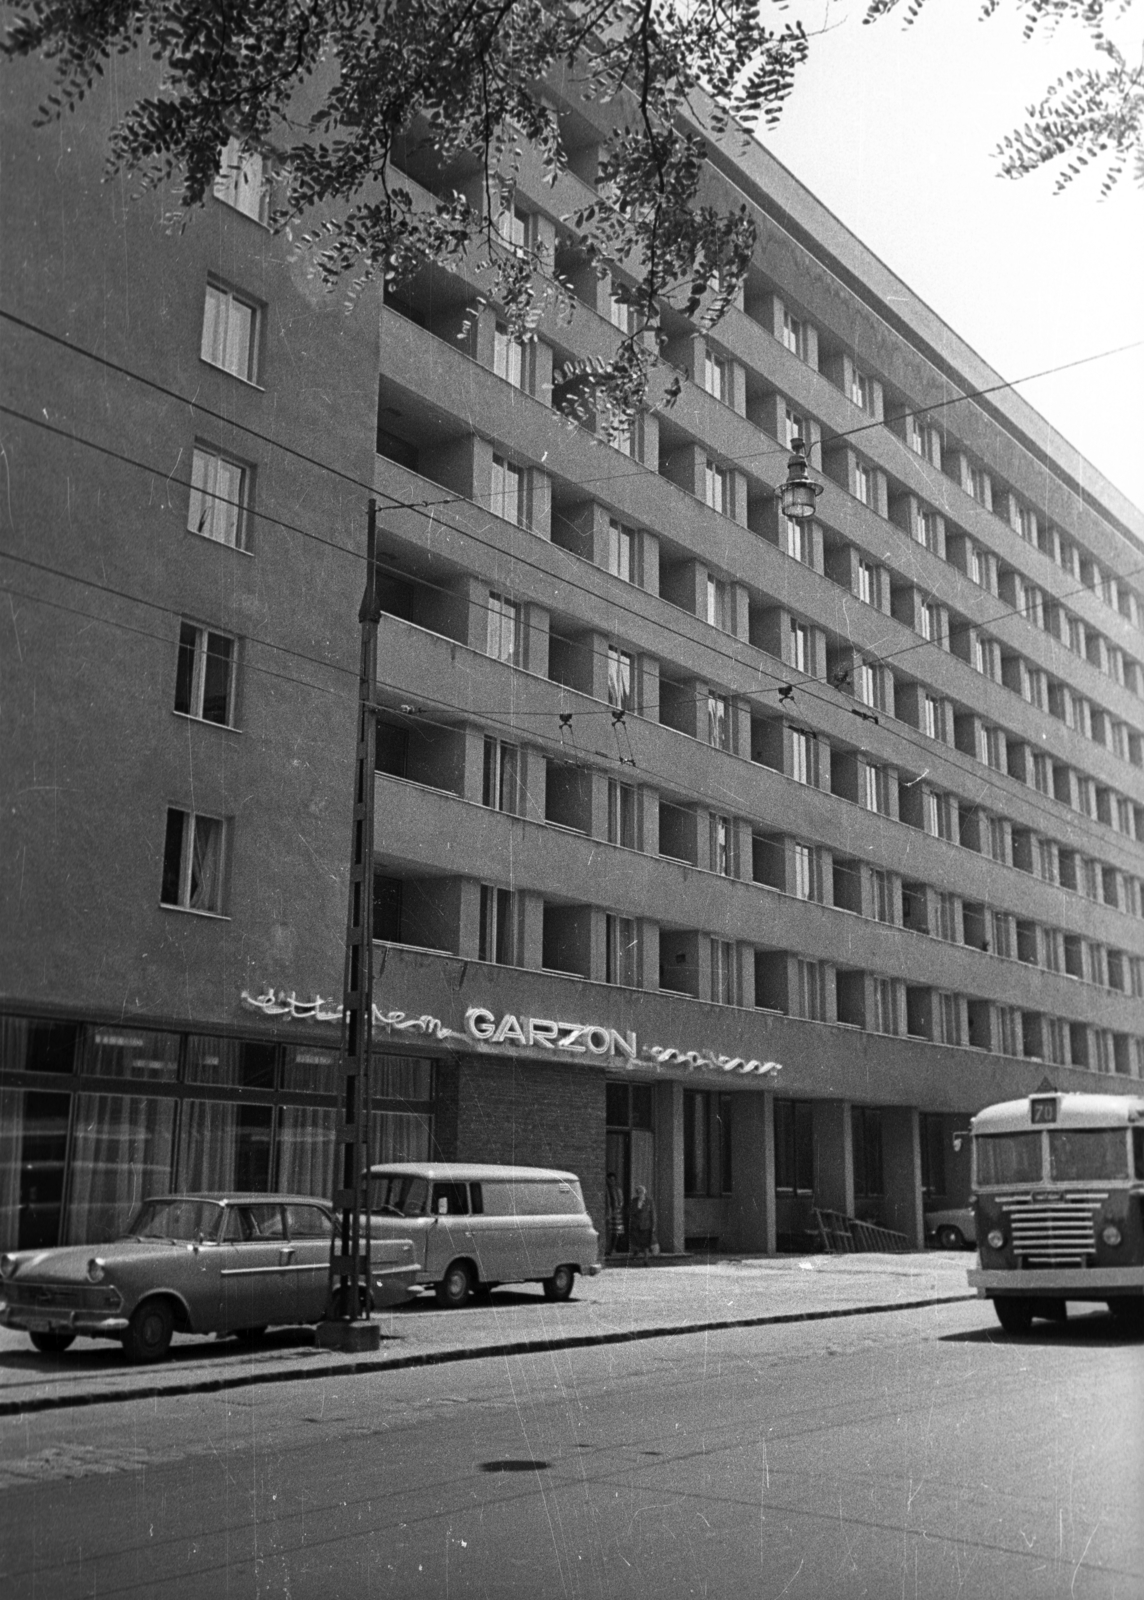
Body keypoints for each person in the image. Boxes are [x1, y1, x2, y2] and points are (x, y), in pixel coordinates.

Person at [628, 1184, 656, 1266]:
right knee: (636, 1241)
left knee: (646, 1243)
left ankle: (646, 1260)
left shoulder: (649, 1201)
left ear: (644, 1192)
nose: (640, 1194)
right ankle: (636, 1251)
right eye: (639, 1192)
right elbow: (630, 1212)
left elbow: (653, 1214)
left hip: (646, 1225)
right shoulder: (634, 1201)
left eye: (642, 1192)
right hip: (636, 1225)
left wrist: (653, 1225)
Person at [605, 1171, 624, 1258]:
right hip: (609, 1212)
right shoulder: (607, 1189)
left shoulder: (617, 1190)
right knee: (609, 1231)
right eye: (610, 1179)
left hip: (617, 1213)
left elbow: (621, 1201)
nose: (612, 1181)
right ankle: (608, 1249)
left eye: (613, 1180)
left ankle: (613, 1248)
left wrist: (618, 1207)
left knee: (617, 1232)